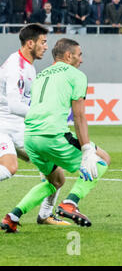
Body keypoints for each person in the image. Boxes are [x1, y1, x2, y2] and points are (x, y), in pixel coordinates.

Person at [1, 38, 111, 233]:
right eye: (80, 55)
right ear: (69, 56)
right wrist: (86, 150)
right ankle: (70, 202)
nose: (82, 60)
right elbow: (79, 116)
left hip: (31, 138)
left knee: (56, 181)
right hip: (53, 135)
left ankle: (13, 216)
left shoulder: (40, 75)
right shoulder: (75, 75)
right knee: (102, 159)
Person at [0, 23, 70, 227]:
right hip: (4, 126)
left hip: (20, 128)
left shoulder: (27, 65)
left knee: (57, 176)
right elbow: (13, 105)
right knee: (9, 167)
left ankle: (45, 215)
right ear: (30, 43)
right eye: (43, 42)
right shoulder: (17, 67)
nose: (46, 47)